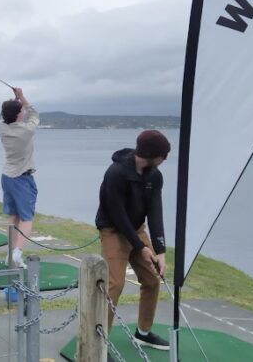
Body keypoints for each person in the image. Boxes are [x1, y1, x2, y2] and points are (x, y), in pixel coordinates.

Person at [95, 130, 171, 351]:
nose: (165, 159)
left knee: (152, 280)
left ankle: (143, 333)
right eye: (163, 155)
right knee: (115, 284)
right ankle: (99, 342)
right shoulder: (116, 173)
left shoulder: (154, 176)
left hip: (137, 229)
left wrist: (160, 251)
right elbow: (117, 215)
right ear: (151, 154)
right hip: (112, 229)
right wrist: (140, 247)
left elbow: (155, 212)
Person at [0, 88, 39, 269]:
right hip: (22, 178)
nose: (23, 112)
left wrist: (16, 101)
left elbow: (8, 115)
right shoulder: (26, 131)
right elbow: (34, 114)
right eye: (20, 111)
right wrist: (22, 97)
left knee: (13, 216)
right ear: (17, 115)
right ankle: (17, 253)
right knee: (27, 218)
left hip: (7, 176)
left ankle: (10, 254)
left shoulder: (2, 127)